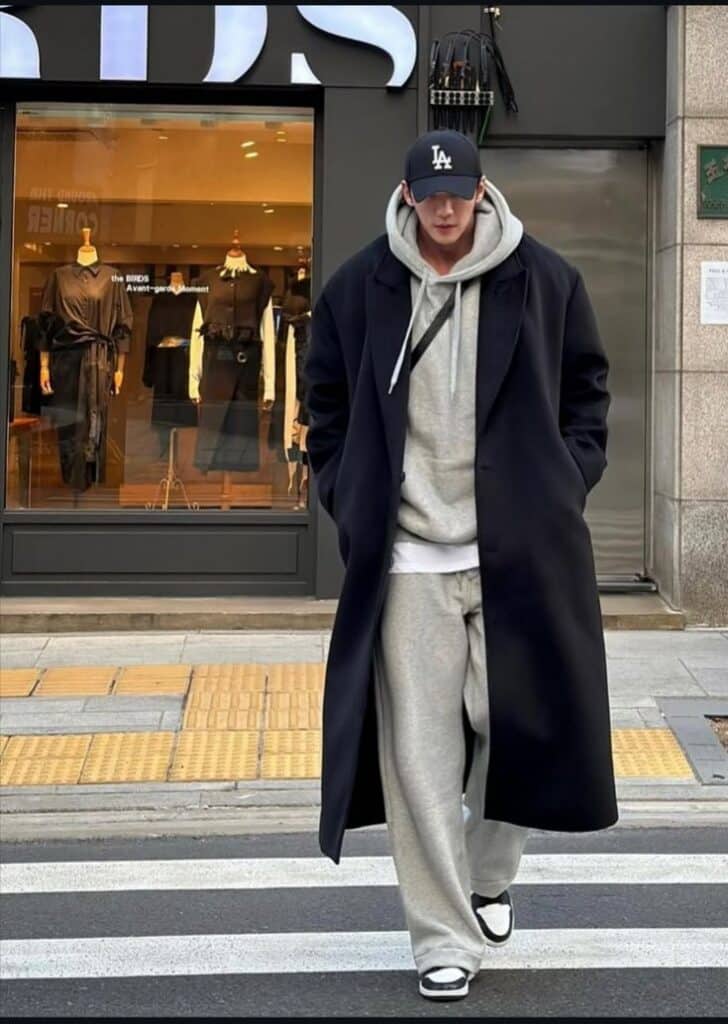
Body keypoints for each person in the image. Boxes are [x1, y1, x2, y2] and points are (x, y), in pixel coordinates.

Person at [303, 129, 618, 1001]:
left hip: (519, 549)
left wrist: (564, 483)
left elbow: (587, 394)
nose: (446, 209)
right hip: (407, 561)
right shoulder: (360, 289)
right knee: (420, 758)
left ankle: (488, 873)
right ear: (408, 197)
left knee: (518, 724)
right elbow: (322, 406)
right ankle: (442, 934)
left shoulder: (546, 279)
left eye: (460, 194)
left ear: (482, 193)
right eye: (430, 196)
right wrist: (347, 491)